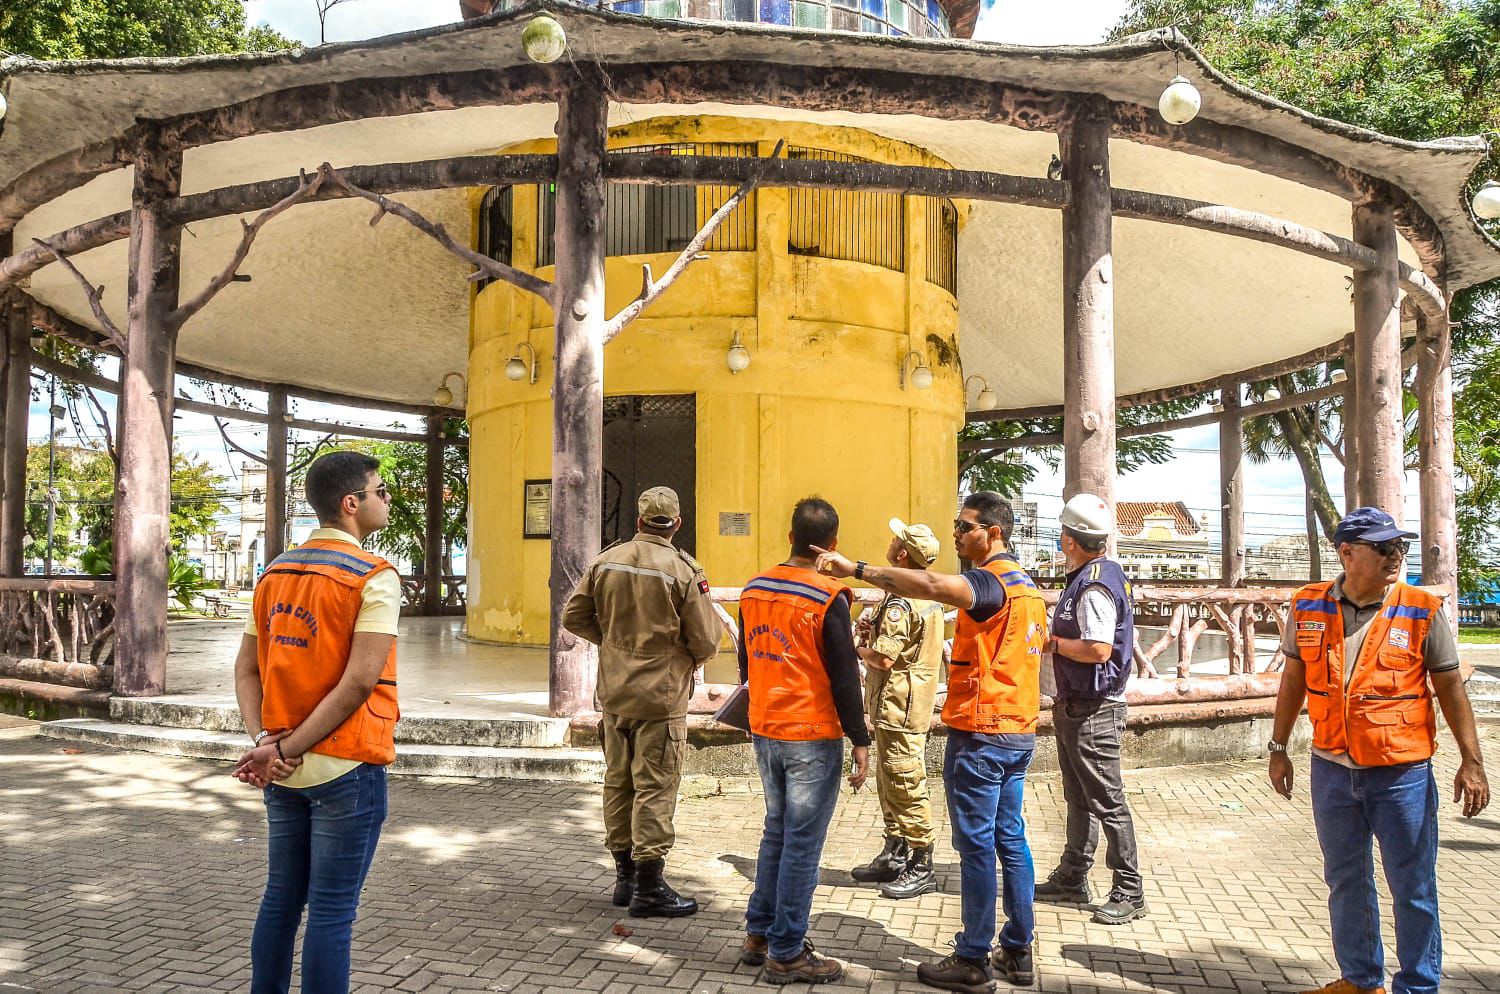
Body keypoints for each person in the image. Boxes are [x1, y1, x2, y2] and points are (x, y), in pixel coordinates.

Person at [814, 491, 1047, 991]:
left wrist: (855, 568)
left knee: (978, 847)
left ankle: (973, 958)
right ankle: (1017, 948)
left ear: (994, 533)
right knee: (1010, 838)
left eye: (965, 527)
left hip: (983, 733)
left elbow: (933, 583)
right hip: (1017, 730)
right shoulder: (1026, 585)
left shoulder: (991, 582)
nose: (958, 536)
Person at [1267, 506, 1490, 994]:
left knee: (1412, 887)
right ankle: (1361, 980)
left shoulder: (1420, 609)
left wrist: (1472, 761)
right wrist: (1278, 746)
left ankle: (1418, 986)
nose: (1396, 556)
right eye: (1385, 548)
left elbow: (1451, 689)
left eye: (1400, 547)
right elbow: (1293, 678)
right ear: (1347, 553)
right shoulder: (1306, 605)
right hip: (1330, 767)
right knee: (1345, 880)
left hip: (1401, 772)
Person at [231, 450, 401, 994]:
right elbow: (358, 683)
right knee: (331, 912)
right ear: (351, 504)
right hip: (343, 764)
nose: (387, 498)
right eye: (380, 491)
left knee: (281, 899)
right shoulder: (373, 577)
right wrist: (284, 749)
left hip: (282, 766)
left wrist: (267, 743)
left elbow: (245, 669)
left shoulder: (274, 572)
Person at [562, 485, 722, 918]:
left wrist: (615, 643)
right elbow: (706, 640)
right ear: (676, 524)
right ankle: (650, 887)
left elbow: (573, 616)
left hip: (614, 691)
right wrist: (676, 654)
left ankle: (624, 878)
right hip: (661, 694)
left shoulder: (606, 560)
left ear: (637, 522)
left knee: (619, 781)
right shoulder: (683, 570)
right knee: (654, 785)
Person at [737, 497, 871, 985]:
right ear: (829, 546)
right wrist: (859, 737)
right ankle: (787, 950)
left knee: (777, 831)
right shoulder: (826, 594)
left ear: (790, 536)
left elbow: (746, 659)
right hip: (811, 734)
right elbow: (843, 676)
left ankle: (758, 934)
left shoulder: (754, 589)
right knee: (801, 846)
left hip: (765, 727)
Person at [1033, 493, 1146, 925]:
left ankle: (1129, 889)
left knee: (1107, 800)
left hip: (1095, 707)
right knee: (1079, 797)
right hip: (1078, 704)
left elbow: (1099, 648)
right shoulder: (1095, 575)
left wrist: (1053, 642)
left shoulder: (1093, 584)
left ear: (1069, 541)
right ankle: (1073, 876)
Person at [848, 517, 946, 901]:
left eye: (896, 541)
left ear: (902, 554)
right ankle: (896, 848)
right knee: (891, 778)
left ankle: (921, 859)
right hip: (899, 703)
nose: (890, 543)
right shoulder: (917, 594)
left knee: (905, 780)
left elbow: (884, 660)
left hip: (900, 704)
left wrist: (857, 649)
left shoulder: (903, 601)